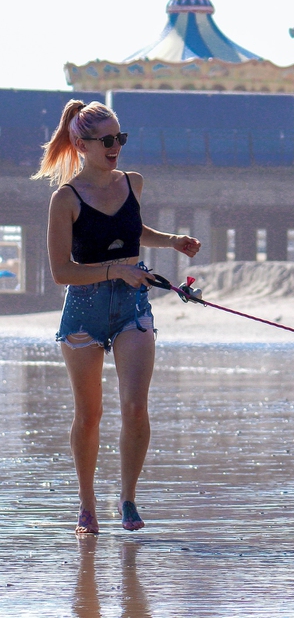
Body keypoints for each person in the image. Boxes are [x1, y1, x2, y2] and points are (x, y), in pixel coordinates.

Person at [32, 99, 201, 534]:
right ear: (80, 143)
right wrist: (116, 270)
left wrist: (172, 241)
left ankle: (127, 499)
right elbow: (59, 272)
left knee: (135, 406)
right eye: (106, 140)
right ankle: (87, 505)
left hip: (133, 307)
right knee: (89, 415)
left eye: (120, 138)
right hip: (84, 310)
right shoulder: (64, 199)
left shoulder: (133, 183)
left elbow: (131, 229)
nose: (115, 147)